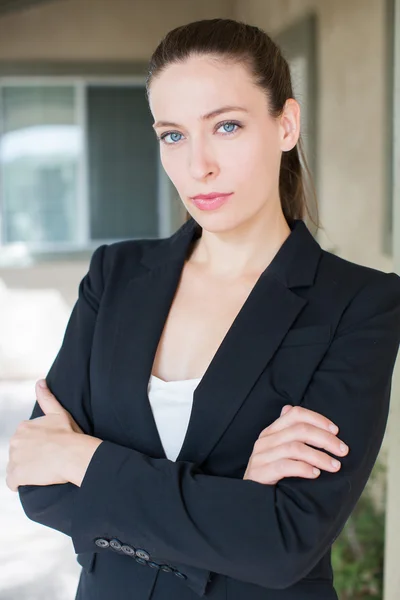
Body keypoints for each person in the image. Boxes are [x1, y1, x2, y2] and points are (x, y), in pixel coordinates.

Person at [7, 17, 400, 600]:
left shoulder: (358, 303)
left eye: (228, 126)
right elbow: (39, 486)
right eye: (173, 135)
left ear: (286, 124)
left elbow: (283, 541)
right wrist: (231, 494)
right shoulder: (115, 276)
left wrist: (85, 459)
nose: (199, 166)